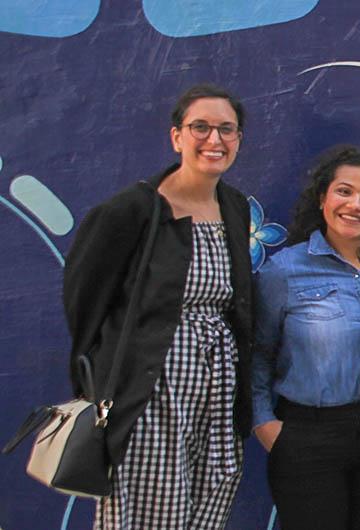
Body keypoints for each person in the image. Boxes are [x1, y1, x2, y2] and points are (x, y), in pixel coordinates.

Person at [64, 84, 258, 528]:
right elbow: (85, 305)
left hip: (218, 388)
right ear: (177, 137)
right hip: (152, 389)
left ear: (239, 140)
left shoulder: (233, 207)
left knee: (210, 502)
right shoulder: (131, 211)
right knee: (150, 513)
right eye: (201, 128)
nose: (215, 140)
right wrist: (103, 388)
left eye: (227, 130)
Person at [251, 146, 360, 529]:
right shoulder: (285, 271)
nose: (355, 205)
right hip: (307, 437)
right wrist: (264, 424)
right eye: (344, 191)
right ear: (323, 198)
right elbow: (258, 352)